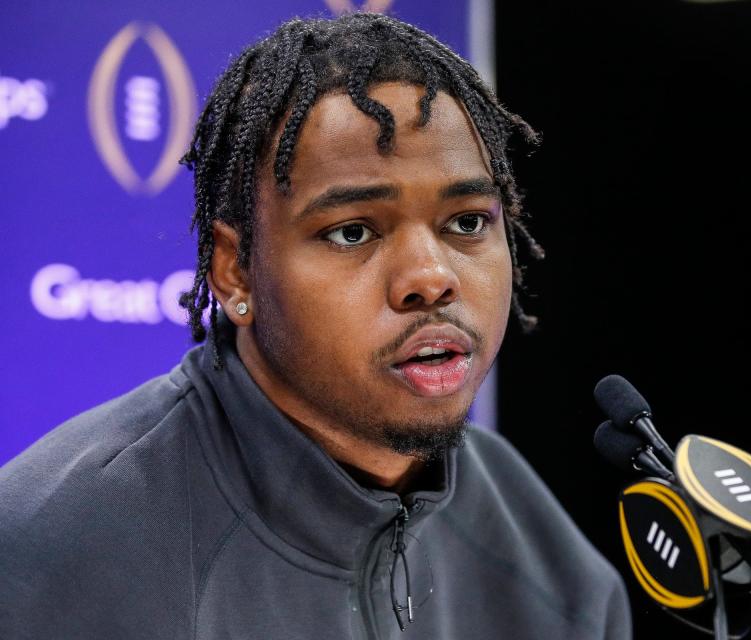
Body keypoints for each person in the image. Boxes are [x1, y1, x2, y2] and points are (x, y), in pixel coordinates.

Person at [0, 13, 631, 639]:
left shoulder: (557, 575)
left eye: (466, 222)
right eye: (353, 231)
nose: (432, 277)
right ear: (234, 273)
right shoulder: (53, 549)